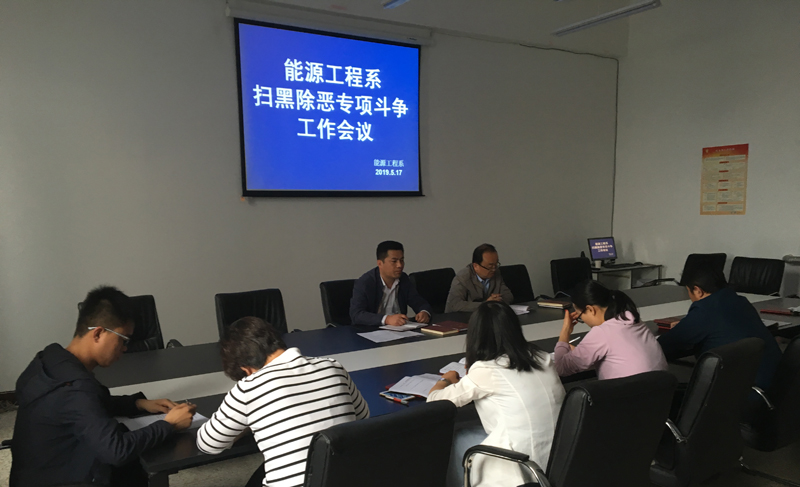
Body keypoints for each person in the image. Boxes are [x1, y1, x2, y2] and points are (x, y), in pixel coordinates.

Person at [10, 286, 195, 487]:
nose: (125, 348)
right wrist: (169, 425)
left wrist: (137, 403)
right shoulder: (77, 388)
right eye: (123, 340)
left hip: (32, 474)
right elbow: (116, 451)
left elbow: (85, 407)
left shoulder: (49, 359)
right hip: (62, 478)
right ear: (98, 333)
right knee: (135, 458)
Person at [197, 316, 370, 487]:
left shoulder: (249, 387)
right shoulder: (333, 366)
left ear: (246, 370)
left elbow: (208, 443)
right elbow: (362, 416)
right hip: (347, 479)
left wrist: (247, 424)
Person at [427, 301, 565, 487]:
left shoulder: (487, 369)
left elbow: (434, 401)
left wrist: (445, 380)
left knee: (457, 436)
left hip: (523, 465)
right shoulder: (542, 357)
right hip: (561, 458)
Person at [657, 264, 782, 393]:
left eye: (688, 291)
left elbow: (661, 347)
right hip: (776, 385)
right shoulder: (740, 301)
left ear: (698, 291)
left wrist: (685, 326)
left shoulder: (705, 310)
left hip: (742, 391)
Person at [554, 280, 667, 379]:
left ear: (590, 309)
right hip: (661, 392)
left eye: (580, 316)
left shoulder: (602, 332)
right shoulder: (632, 319)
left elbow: (561, 368)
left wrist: (565, 330)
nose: (582, 320)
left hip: (628, 395)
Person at [349, 240, 432, 326]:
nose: (400, 265)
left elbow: (419, 302)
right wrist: (387, 319)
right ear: (380, 263)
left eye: (401, 260)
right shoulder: (365, 283)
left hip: (400, 329)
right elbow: (356, 314)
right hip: (371, 330)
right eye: (394, 261)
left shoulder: (403, 279)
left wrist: (424, 312)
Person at [445, 243, 514, 313]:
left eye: (496, 265)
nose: (494, 269)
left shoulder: (496, 273)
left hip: (487, 315)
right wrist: (486, 304)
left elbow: (508, 295)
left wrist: (498, 300)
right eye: (490, 267)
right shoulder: (463, 277)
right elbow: (455, 304)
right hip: (461, 317)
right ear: (476, 266)